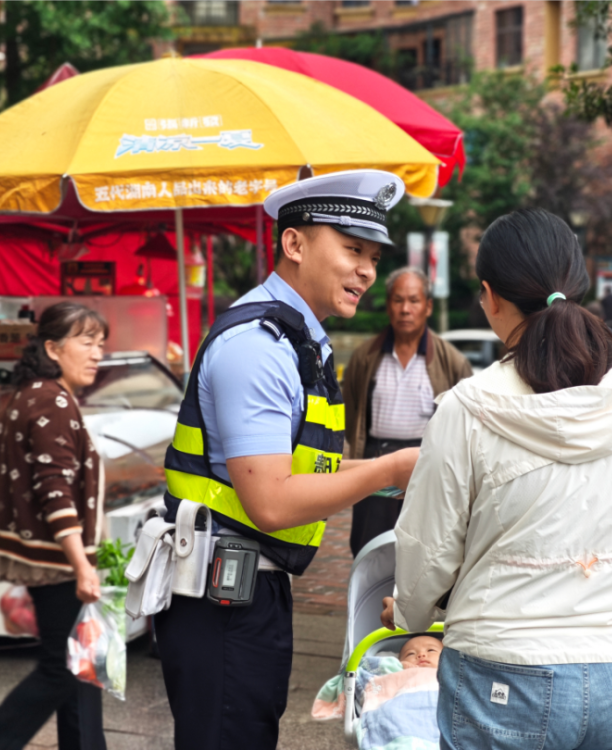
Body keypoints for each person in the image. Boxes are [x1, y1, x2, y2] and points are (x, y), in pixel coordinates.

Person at [381, 209, 612, 749]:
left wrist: (411, 612)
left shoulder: (468, 409)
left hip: (504, 670)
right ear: (578, 284)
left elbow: (428, 549)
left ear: (490, 296)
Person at [154, 170, 420, 750]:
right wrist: (390, 470)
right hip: (221, 597)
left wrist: (398, 467)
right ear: (294, 244)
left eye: (373, 256)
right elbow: (272, 500)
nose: (367, 271)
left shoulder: (298, 340)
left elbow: (307, 474)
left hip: (246, 590)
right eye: (352, 249)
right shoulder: (259, 346)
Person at [0, 301, 108, 750]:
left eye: (101, 344)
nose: (97, 353)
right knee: (63, 669)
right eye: (87, 342)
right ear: (53, 348)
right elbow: (53, 487)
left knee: (81, 667)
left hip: (50, 557)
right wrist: (82, 565)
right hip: (56, 562)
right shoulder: (51, 400)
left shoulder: (39, 393)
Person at [342, 266, 472, 556]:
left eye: (413, 301)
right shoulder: (365, 358)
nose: (405, 309)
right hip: (374, 464)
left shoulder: (451, 361)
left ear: (427, 306)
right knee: (370, 548)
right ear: (388, 305)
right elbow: (351, 416)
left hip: (427, 465)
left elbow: (465, 425)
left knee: (426, 550)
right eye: (398, 300)